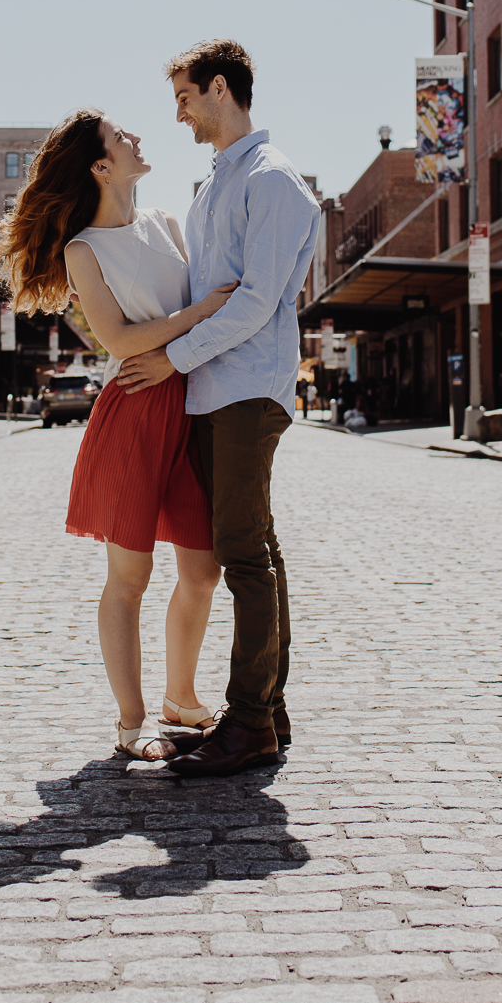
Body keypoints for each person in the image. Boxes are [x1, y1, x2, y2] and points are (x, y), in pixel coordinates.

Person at [0, 108, 236, 761]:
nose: (136, 140)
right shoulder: (83, 250)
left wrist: (189, 336)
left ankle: (179, 697)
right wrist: (199, 312)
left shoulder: (166, 225)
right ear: (101, 166)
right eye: (122, 138)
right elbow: (120, 340)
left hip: (189, 402)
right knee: (129, 578)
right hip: (135, 414)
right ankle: (131, 723)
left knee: (203, 569)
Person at [117, 40, 322, 779]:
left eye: (184, 97)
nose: (177, 114)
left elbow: (260, 302)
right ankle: (265, 708)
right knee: (252, 547)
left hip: (243, 389)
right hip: (210, 389)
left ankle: (250, 725)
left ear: (219, 89)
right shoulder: (216, 185)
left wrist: (171, 357)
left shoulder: (270, 182)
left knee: (243, 553)